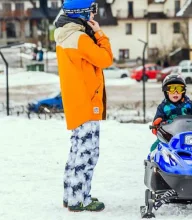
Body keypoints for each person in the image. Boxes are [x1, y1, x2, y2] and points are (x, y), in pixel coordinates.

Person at [54, 0, 113, 212]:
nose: (93, 15)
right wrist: (100, 35)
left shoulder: (64, 34)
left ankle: (70, 195)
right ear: (81, 12)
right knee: (88, 154)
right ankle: (81, 199)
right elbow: (105, 59)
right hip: (88, 104)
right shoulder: (79, 38)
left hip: (76, 102)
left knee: (77, 151)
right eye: (91, 10)